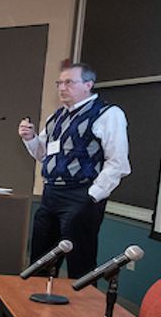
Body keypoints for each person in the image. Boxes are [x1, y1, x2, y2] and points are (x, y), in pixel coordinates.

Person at [19, 62, 130, 278]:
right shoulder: (56, 118)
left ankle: (83, 310)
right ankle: (35, 308)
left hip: (82, 194)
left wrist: (92, 196)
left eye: (69, 82)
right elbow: (44, 155)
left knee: (80, 265)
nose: (62, 88)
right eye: (60, 83)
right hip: (51, 195)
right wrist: (30, 139)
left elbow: (118, 163)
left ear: (88, 84)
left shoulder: (108, 114)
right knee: (40, 261)